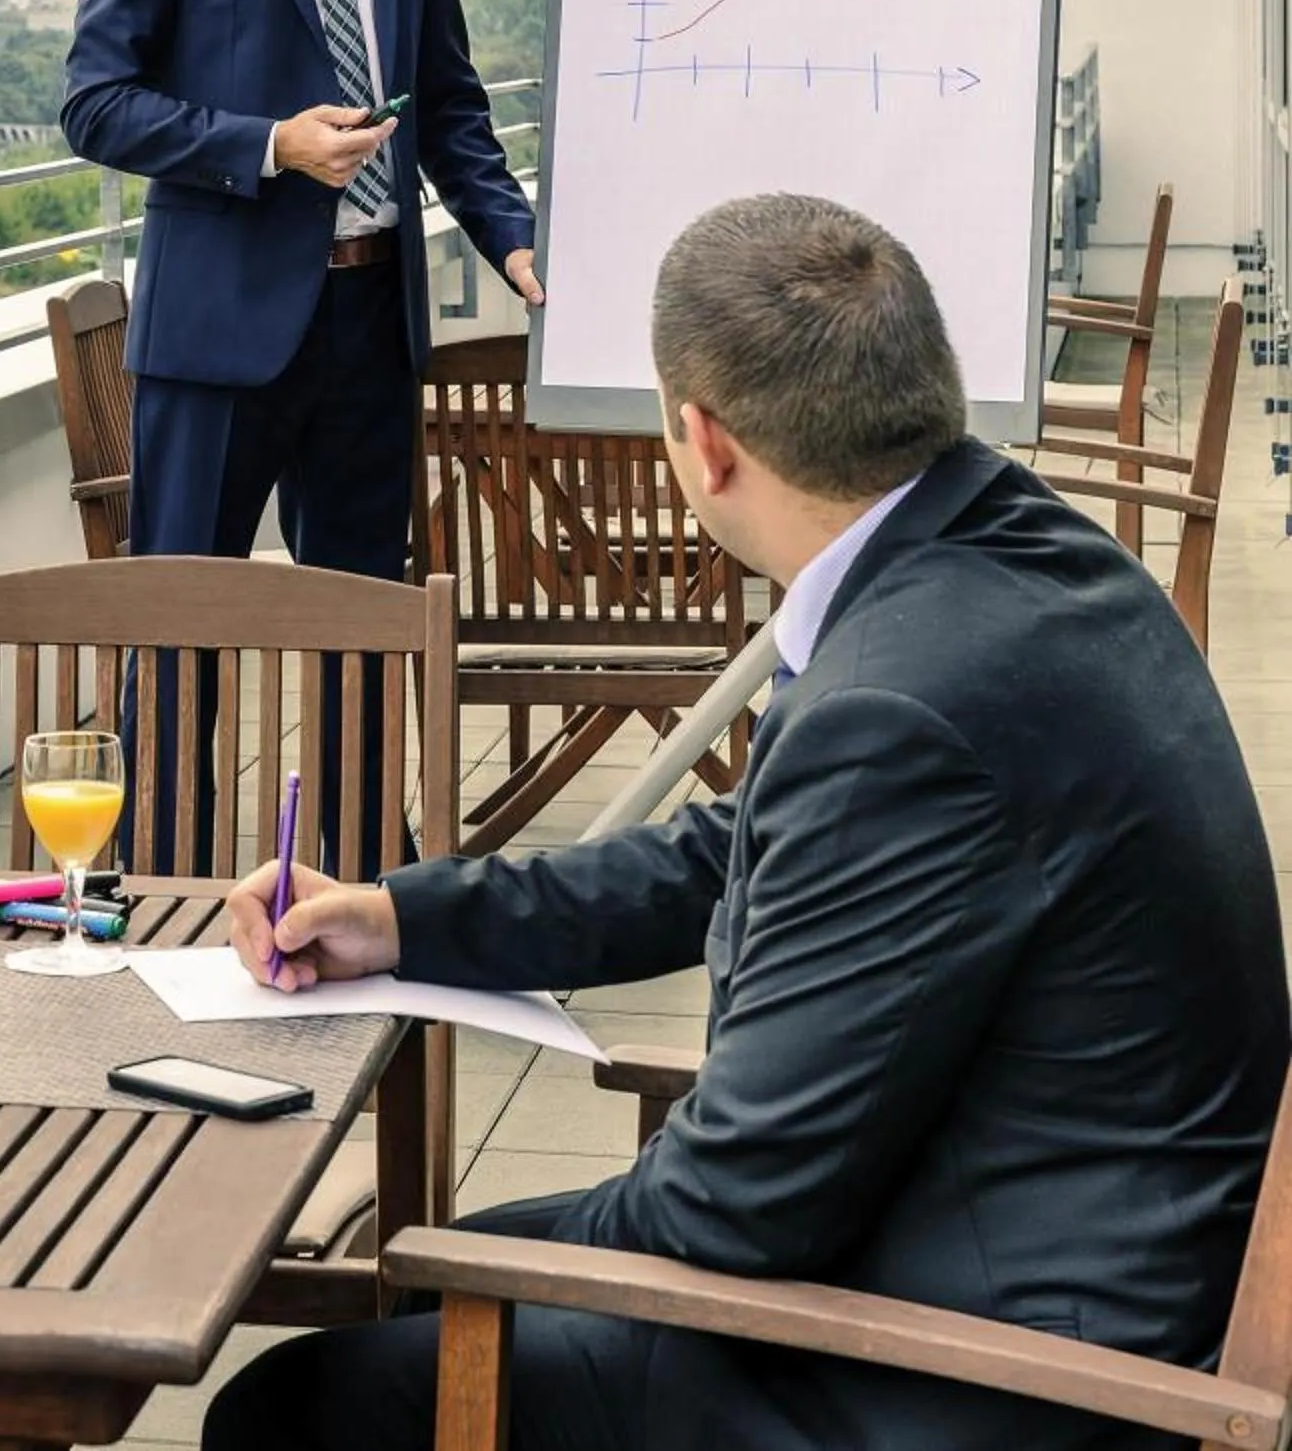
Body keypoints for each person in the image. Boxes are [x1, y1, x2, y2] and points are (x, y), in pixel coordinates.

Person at [207, 194, 1289, 1451]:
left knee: (297, 1407)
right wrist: (405, 918)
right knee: (435, 1281)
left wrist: (482, 1266)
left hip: (988, 1374)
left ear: (701, 442)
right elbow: (738, 849)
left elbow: (734, 1210)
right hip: (1060, 1246)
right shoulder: (1029, 561)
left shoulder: (895, 703)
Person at [62, 0, 540, 863]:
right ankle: (162, 895)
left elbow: (446, 101)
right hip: (216, 335)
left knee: (362, 636)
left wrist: (517, 243)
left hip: (370, 324)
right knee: (180, 637)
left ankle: (353, 901)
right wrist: (270, 145)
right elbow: (93, 103)